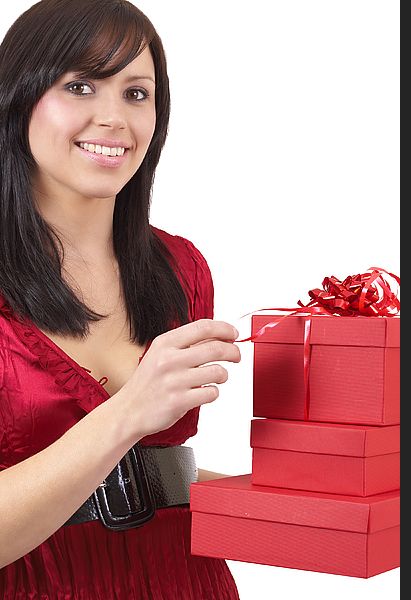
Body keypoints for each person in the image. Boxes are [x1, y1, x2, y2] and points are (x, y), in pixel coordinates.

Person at [0, 0, 241, 597]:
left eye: (137, 93)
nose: (114, 118)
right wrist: (129, 410)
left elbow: (159, 477)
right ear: (17, 95)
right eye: (80, 85)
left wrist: (324, 508)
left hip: (185, 580)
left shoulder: (179, 267)